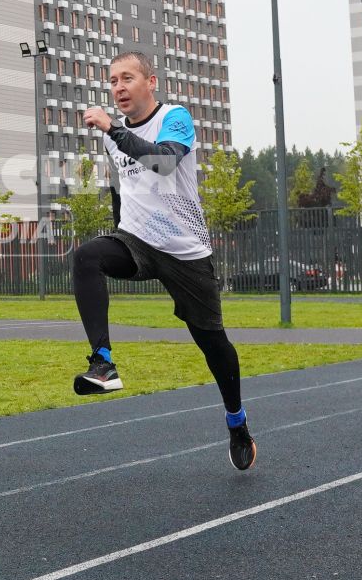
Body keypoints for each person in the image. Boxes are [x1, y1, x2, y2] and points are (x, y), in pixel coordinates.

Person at [71, 51, 256, 472]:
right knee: (86, 257)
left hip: (185, 249)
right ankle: (103, 363)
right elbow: (124, 188)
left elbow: (162, 161)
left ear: (150, 82)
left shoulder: (176, 117)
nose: (118, 87)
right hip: (136, 240)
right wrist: (117, 232)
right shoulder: (111, 137)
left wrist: (114, 130)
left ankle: (236, 421)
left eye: (127, 78)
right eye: (113, 80)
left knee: (214, 346)